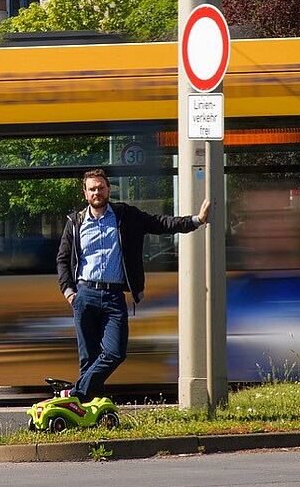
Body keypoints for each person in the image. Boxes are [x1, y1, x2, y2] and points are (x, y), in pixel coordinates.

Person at [56, 168, 210, 402]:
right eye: (92, 189)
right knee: (88, 358)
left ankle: (74, 394)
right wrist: (69, 292)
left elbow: (160, 223)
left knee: (115, 353)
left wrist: (196, 220)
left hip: (114, 296)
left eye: (101, 187)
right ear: (85, 193)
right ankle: (88, 412)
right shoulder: (75, 223)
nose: (97, 192)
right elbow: (63, 259)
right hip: (84, 296)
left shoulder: (125, 216)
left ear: (108, 189)